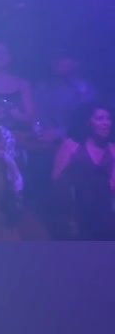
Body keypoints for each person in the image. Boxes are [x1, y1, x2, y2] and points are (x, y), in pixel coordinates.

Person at [51, 103, 115, 240]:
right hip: (77, 215)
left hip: (106, 217)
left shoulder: (113, 150)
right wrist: (67, 217)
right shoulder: (71, 147)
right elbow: (57, 182)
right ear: (88, 122)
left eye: (108, 118)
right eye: (100, 118)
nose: (106, 123)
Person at [34, 52, 97, 142]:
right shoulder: (41, 87)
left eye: (64, 58)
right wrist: (37, 130)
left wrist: (57, 133)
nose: (58, 61)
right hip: (42, 142)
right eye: (56, 57)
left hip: (74, 141)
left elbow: (86, 121)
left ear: (76, 63)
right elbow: (36, 116)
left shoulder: (83, 90)